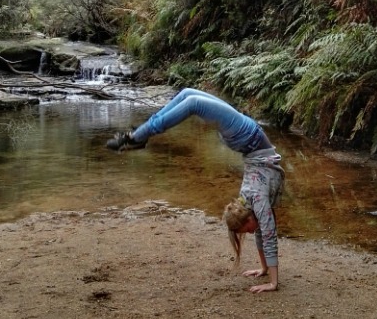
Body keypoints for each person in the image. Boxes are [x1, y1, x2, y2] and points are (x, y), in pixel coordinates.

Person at [107, 88, 285, 294]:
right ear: (247, 218)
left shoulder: (251, 204)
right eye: (249, 230)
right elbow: (267, 236)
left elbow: (263, 233)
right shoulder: (257, 203)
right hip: (247, 137)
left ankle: (138, 137)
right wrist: (271, 280)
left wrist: (267, 272)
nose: (252, 231)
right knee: (190, 100)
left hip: (246, 137)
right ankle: (138, 137)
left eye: (247, 231)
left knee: (189, 97)